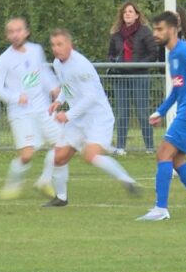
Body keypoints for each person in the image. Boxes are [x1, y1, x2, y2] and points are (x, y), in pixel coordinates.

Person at [45, 29, 140, 207]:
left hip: (98, 118)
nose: (56, 48)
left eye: (60, 44)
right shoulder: (58, 63)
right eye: (53, 45)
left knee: (90, 156)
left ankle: (127, 180)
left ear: (70, 45)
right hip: (78, 118)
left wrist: (67, 115)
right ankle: (61, 198)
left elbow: (90, 98)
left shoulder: (81, 65)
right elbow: (67, 87)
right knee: (59, 157)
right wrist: (58, 101)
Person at [138, 11, 186, 221]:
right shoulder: (172, 54)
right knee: (177, 160)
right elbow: (177, 89)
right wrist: (160, 111)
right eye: (155, 29)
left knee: (163, 154)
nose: (155, 33)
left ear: (173, 30)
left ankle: (160, 209)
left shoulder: (184, 51)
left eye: (160, 29)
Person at [0, 17, 58, 199]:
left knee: (62, 145)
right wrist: (15, 97)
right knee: (27, 155)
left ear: (26, 32)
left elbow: (43, 72)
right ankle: (13, 184)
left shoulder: (36, 51)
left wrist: (54, 87)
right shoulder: (4, 59)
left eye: (18, 30)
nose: (15, 34)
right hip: (21, 113)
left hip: (44, 108)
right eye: (11, 32)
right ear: (7, 36)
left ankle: (44, 181)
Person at [107, 2, 159, 155]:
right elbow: (110, 53)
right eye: (125, 12)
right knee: (122, 112)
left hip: (139, 75)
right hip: (121, 76)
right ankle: (121, 147)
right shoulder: (116, 34)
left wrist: (138, 64)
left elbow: (153, 54)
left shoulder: (144, 32)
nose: (127, 14)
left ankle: (149, 147)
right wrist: (115, 63)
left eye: (130, 11)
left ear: (137, 15)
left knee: (142, 111)